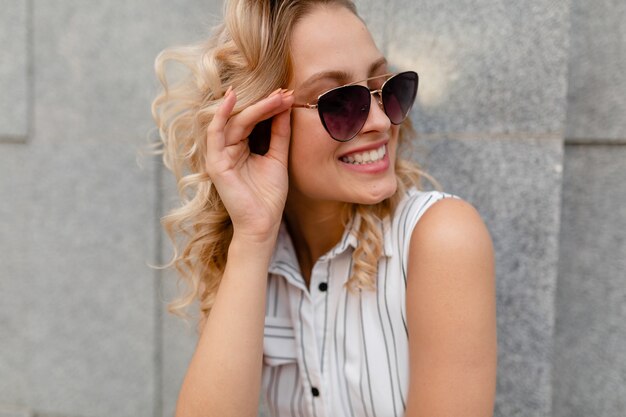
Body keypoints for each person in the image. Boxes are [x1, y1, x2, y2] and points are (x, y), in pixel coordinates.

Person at [152, 1, 497, 416]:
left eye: (386, 88)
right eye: (339, 102)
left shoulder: (441, 239)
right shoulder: (259, 256)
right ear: (261, 125)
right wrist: (253, 237)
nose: (381, 122)